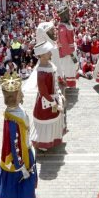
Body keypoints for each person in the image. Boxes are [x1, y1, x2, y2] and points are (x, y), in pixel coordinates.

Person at [0, 73, 38, 198]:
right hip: (19, 156)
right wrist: (21, 166)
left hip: (27, 147)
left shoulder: (15, 112)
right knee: (19, 181)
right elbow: (14, 144)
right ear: (16, 96)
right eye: (20, 93)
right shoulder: (13, 118)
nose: (22, 95)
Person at [30, 21, 65, 150]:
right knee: (47, 120)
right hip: (47, 101)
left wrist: (59, 95)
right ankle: (44, 143)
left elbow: (54, 84)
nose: (51, 54)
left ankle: (50, 140)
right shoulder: (41, 72)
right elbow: (43, 92)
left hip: (53, 97)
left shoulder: (50, 66)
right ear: (43, 56)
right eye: (48, 53)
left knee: (54, 118)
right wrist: (54, 103)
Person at [56, 3, 78, 88]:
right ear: (63, 16)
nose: (69, 15)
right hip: (67, 53)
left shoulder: (67, 24)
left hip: (71, 49)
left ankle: (70, 84)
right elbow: (64, 43)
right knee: (67, 68)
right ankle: (66, 84)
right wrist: (71, 54)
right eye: (67, 14)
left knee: (71, 69)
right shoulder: (62, 27)